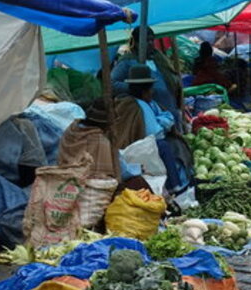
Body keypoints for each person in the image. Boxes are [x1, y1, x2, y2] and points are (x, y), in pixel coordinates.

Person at [115, 65, 194, 197]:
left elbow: (165, 116)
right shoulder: (137, 106)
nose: (152, 92)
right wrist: (163, 122)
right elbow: (155, 133)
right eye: (150, 89)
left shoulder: (149, 104)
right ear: (144, 91)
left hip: (138, 146)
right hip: (134, 148)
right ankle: (175, 187)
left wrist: (161, 120)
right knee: (164, 145)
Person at [111, 27, 183, 129]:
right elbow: (112, 83)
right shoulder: (128, 61)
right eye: (146, 40)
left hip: (170, 109)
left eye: (151, 40)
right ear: (136, 43)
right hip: (149, 114)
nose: (150, 43)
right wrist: (135, 88)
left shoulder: (160, 59)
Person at [57, 98, 120, 180]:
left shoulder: (71, 130)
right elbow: (103, 174)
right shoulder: (99, 141)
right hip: (84, 180)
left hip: (62, 173)